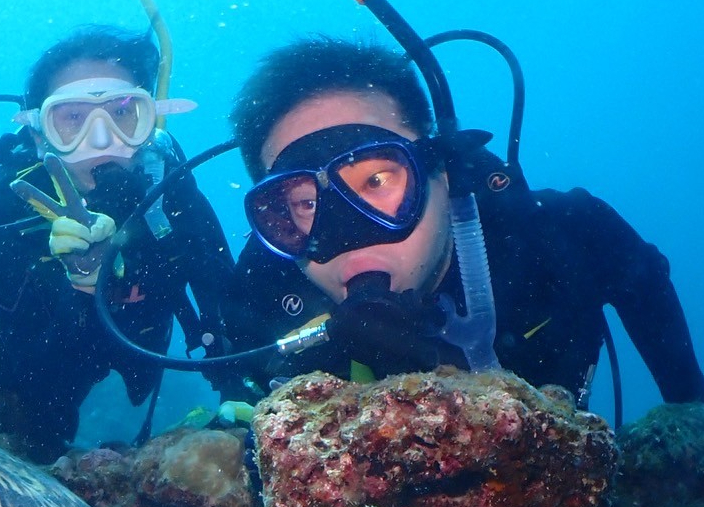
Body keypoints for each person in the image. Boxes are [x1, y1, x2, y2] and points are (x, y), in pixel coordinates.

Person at [218, 36, 704, 411]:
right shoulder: (263, 317)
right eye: (305, 204)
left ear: (442, 170)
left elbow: (647, 288)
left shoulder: (563, 238)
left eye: (376, 180)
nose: (347, 234)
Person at [0, 25, 233, 461]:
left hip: (135, 363)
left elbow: (231, 306)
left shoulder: (170, 191)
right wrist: (83, 284)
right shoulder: (9, 213)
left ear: (149, 119)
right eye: (73, 119)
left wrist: (242, 389)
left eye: (122, 112)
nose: (102, 141)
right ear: (41, 133)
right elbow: (38, 388)